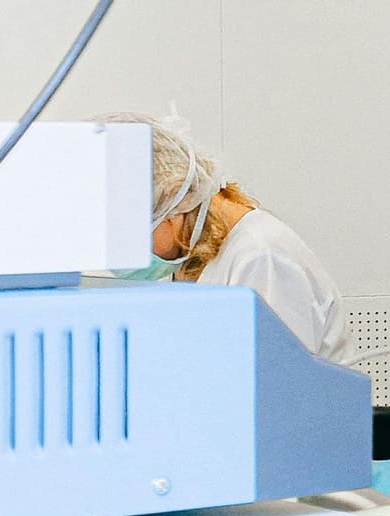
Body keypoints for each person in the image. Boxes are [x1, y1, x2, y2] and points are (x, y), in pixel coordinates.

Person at [104, 112, 365, 368]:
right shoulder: (188, 253)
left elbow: (273, 384)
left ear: (176, 201)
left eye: (129, 236)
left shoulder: (261, 255)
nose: (121, 254)